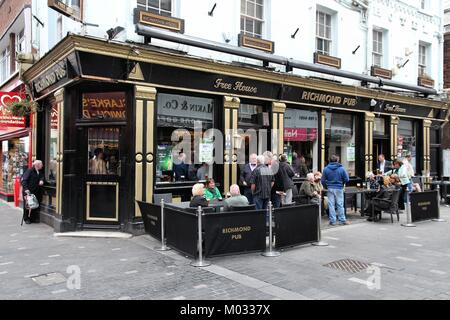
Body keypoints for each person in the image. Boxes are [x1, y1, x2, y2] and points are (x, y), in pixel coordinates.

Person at [321, 155, 350, 226]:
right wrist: (342, 184)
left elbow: (322, 180)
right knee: (340, 204)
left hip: (330, 188)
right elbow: (347, 179)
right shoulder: (341, 169)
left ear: (329, 160)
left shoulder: (326, 169)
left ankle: (332, 221)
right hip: (339, 188)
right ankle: (342, 220)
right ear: (337, 160)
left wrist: (326, 186)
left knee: (331, 205)